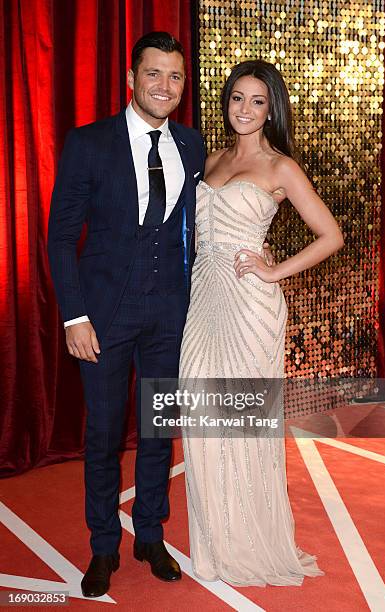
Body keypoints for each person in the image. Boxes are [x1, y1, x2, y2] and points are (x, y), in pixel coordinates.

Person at [47, 32, 206, 597]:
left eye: (176, 77)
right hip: (104, 316)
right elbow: (61, 237)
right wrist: (74, 317)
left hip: (170, 314)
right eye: (154, 74)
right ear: (131, 79)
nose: (165, 86)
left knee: (160, 430)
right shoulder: (90, 143)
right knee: (104, 435)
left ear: (184, 86)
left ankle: (150, 536)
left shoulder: (192, 143)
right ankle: (101, 547)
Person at [179, 59, 344, 586]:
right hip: (203, 300)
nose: (244, 109)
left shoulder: (280, 168)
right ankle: (217, 537)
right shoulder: (212, 157)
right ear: (225, 103)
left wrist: (273, 270)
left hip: (250, 306)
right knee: (202, 418)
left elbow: (331, 236)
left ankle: (249, 543)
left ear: (271, 108)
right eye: (236, 98)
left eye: (256, 101)